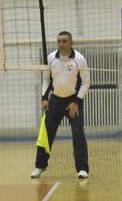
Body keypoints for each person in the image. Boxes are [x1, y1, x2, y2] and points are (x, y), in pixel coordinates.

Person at [31, 31, 91, 179]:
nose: (61, 44)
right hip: (55, 101)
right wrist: (44, 98)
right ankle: (40, 165)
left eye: (64, 41)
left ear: (71, 43)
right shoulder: (51, 58)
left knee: (78, 133)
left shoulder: (79, 59)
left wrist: (76, 102)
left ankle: (82, 169)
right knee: (45, 133)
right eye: (59, 41)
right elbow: (46, 79)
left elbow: (86, 83)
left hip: (73, 101)